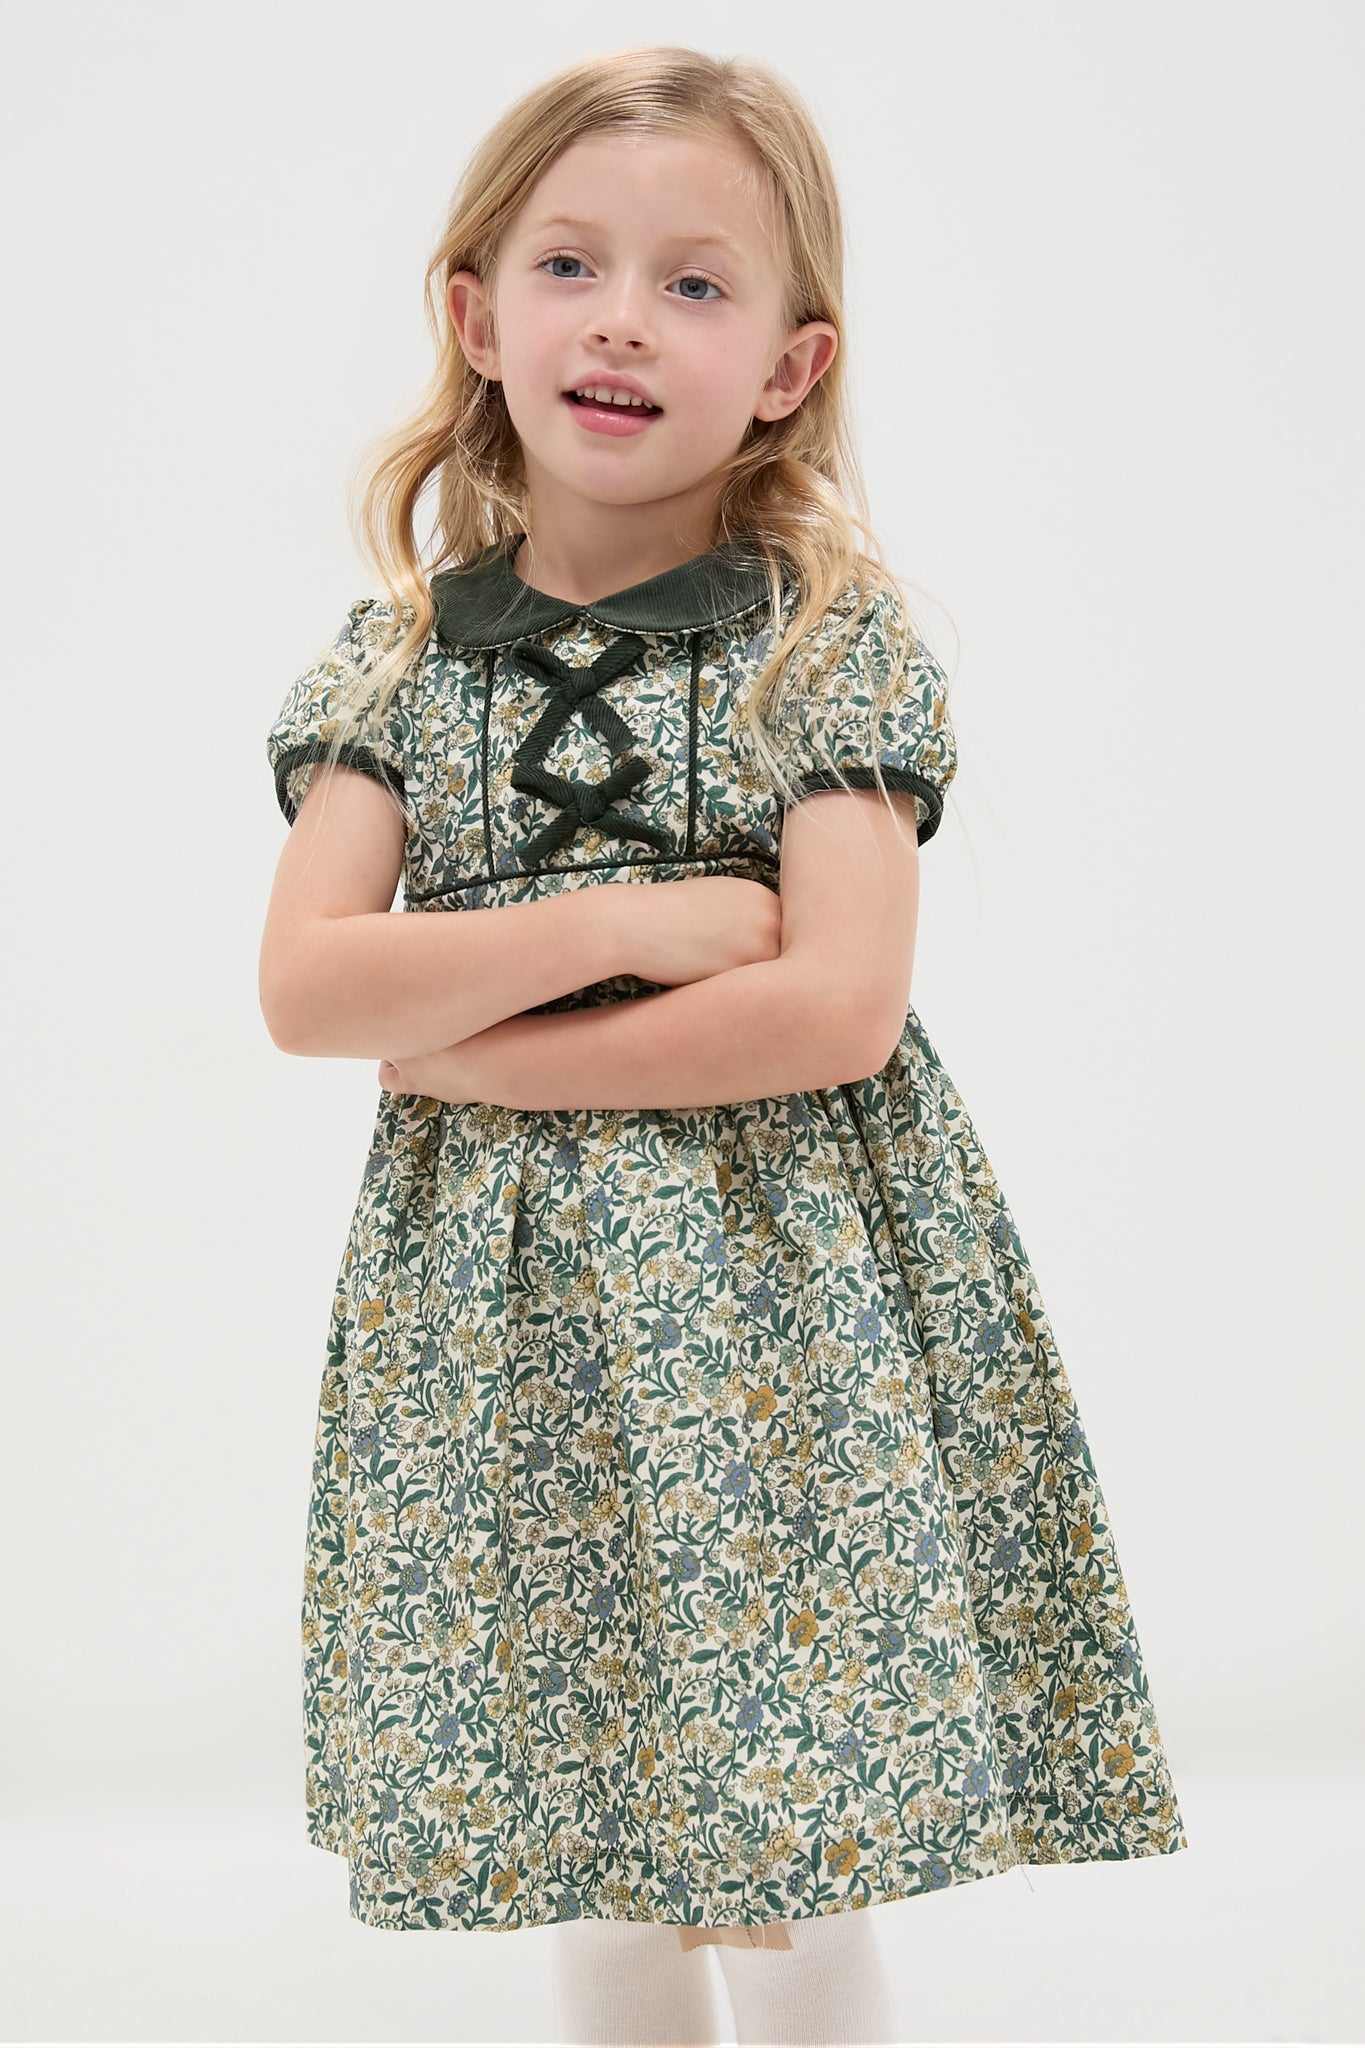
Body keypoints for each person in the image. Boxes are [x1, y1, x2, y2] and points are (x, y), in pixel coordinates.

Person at [258, 43, 1188, 2048]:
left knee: (780, 1840)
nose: (621, 317)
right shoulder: (402, 660)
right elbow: (310, 986)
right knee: (580, 1812)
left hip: (781, 1320)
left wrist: (482, 1043)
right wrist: (624, 925)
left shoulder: (817, 646)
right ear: (474, 313)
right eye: (572, 263)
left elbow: (832, 1007)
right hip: (510, 1326)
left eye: (696, 283)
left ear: (785, 362)